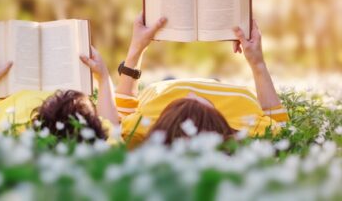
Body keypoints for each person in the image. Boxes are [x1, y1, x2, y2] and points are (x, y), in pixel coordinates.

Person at [115, 14, 289, 147]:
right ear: (217, 122)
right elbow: (281, 127)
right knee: (214, 80)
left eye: (180, 104)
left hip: (165, 88)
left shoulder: (141, 129)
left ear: (165, 120)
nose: (191, 92)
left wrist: (137, 49)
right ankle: (213, 82)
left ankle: (172, 81)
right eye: (199, 101)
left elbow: (122, 111)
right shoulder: (251, 130)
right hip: (223, 88)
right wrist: (257, 63)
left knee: (169, 79)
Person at [0, 42, 119, 143]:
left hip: (4, 100)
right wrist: (103, 77)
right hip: (69, 105)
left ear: (37, 123)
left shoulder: (11, 137)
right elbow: (110, 125)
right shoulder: (100, 139)